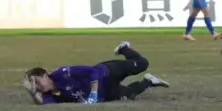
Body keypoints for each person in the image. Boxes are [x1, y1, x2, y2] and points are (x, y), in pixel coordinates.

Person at [23, 42, 169, 105]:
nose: (38, 87)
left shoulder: (62, 73)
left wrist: (93, 94)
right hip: (106, 93)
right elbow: (43, 103)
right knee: (129, 95)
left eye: (37, 82)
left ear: (45, 75)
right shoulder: (52, 95)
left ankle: (123, 49)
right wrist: (31, 92)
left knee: (142, 64)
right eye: (35, 85)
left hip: (107, 73)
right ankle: (149, 81)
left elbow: (92, 71)